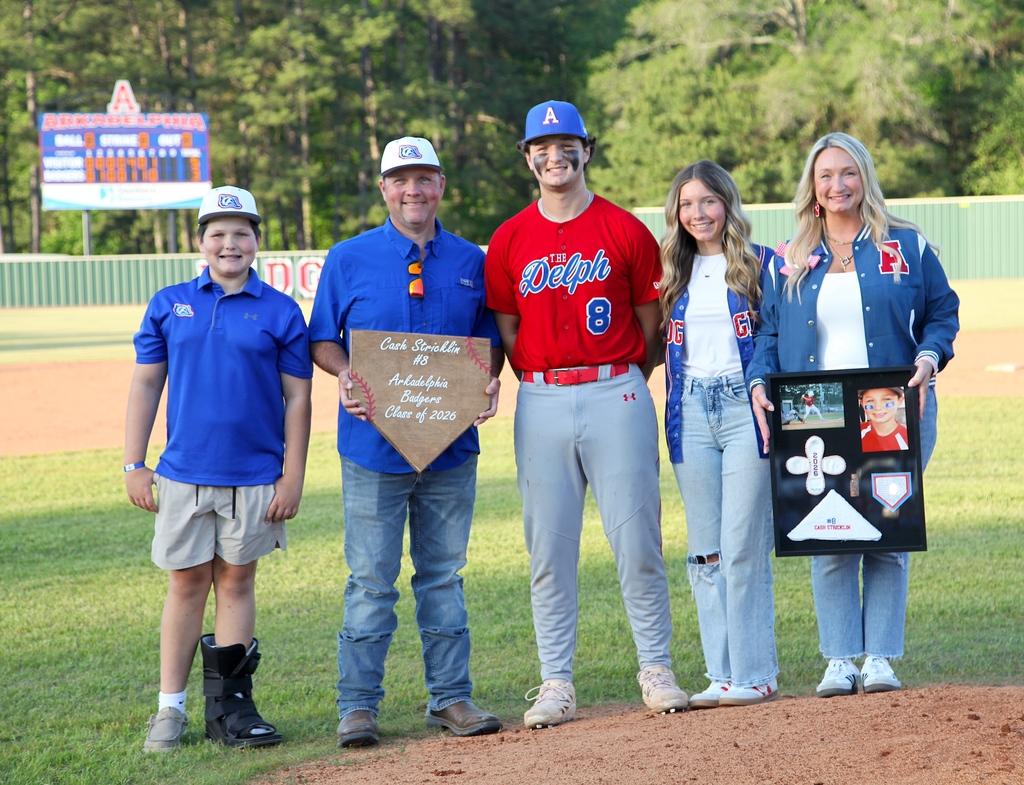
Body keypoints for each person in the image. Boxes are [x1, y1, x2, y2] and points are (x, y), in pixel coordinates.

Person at [485, 100, 689, 728]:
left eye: (567, 143)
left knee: (638, 540)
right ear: (527, 158)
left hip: (617, 390)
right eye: (542, 146)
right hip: (541, 395)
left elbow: (651, 328)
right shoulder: (509, 238)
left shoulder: (625, 230)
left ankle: (656, 668)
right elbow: (509, 332)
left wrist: (624, 379)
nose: (556, 155)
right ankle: (555, 683)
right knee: (548, 547)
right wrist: (545, 382)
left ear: (587, 151)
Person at [747, 132, 959, 698]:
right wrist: (758, 381)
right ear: (811, 189)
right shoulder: (788, 258)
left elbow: (943, 312)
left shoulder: (906, 246)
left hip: (892, 408)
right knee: (829, 530)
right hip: (815, 413)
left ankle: (881, 657)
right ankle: (840, 658)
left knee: (888, 527)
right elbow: (768, 331)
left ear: (865, 178)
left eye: (848, 172)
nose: (837, 184)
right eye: (825, 175)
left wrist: (929, 357)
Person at [309, 137, 504, 747]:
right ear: (384, 187)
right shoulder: (348, 257)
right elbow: (322, 339)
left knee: (443, 577)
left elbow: (487, 341)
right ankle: (358, 707)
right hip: (371, 449)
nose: (412, 190)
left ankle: (450, 698)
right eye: (401, 179)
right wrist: (344, 375)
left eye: (424, 178)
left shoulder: (473, 259)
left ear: (441, 185)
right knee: (371, 580)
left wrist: (488, 378)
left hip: (449, 448)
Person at [124, 185, 313, 752]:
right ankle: (170, 709)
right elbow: (146, 383)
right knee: (185, 583)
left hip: (256, 476)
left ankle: (229, 709)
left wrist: (293, 474)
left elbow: (298, 399)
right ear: (200, 241)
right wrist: (136, 462)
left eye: (241, 232)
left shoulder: (280, 309)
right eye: (218, 233)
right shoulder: (169, 302)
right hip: (183, 473)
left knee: (236, 580)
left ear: (257, 240)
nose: (230, 243)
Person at [659, 161, 779, 709]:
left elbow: (779, 335)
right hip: (689, 410)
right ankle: (721, 674)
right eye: (687, 204)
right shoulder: (672, 274)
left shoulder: (762, 266)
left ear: (727, 204)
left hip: (742, 406)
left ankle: (755, 673)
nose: (698, 213)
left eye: (708, 201)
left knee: (742, 544)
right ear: (675, 212)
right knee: (705, 553)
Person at [859, 387, 909, 452]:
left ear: (900, 401)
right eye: (870, 400)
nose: (878, 407)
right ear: (862, 404)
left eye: (886, 399)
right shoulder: (856, 432)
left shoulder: (907, 437)